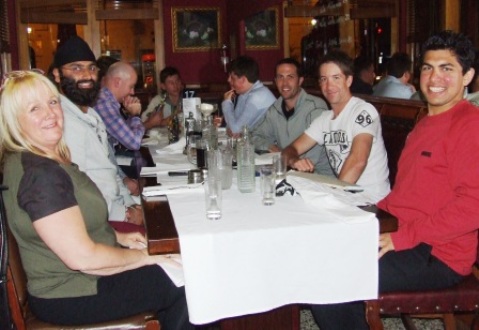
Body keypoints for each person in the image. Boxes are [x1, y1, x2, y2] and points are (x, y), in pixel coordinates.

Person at [311, 30, 479, 330]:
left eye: (447, 68)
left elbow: (471, 209)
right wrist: (361, 215)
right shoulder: (424, 124)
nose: (434, 77)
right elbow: (405, 195)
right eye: (428, 67)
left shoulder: (470, 126)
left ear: (467, 76)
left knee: (328, 277)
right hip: (404, 233)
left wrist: (402, 238)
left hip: (438, 253)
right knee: (319, 247)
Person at [0, 70, 194, 329]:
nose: (50, 113)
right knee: (193, 279)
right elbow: (83, 259)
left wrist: (119, 237)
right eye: (34, 108)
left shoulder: (39, 160)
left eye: (52, 102)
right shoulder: (40, 175)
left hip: (77, 282)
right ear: (14, 120)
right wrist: (146, 256)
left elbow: (68, 227)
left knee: (185, 264)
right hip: (72, 293)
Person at [50, 36, 143, 226]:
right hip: (99, 221)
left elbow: (110, 170)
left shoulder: (91, 114)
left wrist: (130, 204)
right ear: (57, 75)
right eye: (76, 68)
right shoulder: (63, 122)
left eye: (91, 68)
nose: (87, 75)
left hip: (115, 206)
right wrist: (124, 214)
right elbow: (78, 190)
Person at [282, 50, 390, 202]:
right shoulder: (324, 119)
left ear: (349, 80)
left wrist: (330, 196)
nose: (329, 85)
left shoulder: (363, 111)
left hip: (371, 201)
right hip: (345, 197)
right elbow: (288, 151)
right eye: (324, 79)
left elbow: (358, 161)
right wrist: (294, 161)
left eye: (336, 78)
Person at [251, 58, 334, 176]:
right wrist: (269, 146)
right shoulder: (275, 108)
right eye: (280, 77)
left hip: (318, 177)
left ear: (300, 81)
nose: (284, 83)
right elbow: (254, 135)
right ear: (275, 81)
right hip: (289, 172)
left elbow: (309, 160)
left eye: (290, 77)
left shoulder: (316, 108)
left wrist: (285, 158)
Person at [95, 61, 162, 151]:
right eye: (131, 87)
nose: (132, 92)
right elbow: (134, 143)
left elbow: (126, 133)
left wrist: (131, 115)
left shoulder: (109, 101)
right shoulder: (103, 104)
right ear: (117, 82)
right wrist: (135, 115)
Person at [221, 55, 276, 137]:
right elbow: (232, 126)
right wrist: (234, 130)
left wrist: (227, 103)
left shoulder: (258, 96)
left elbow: (234, 131)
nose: (228, 80)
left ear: (243, 79)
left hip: (270, 146)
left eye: (232, 78)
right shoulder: (244, 94)